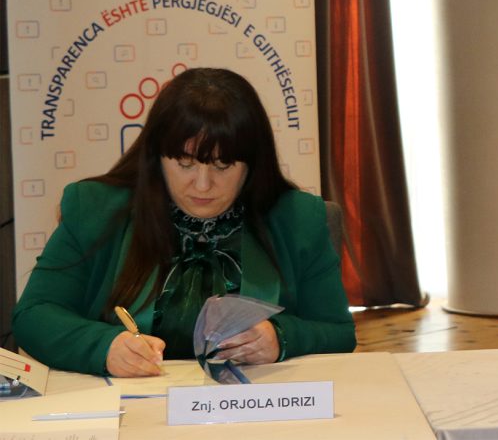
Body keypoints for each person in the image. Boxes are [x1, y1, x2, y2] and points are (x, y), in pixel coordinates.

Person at [13, 68, 356, 376]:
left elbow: (339, 332)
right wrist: (105, 346)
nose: (203, 185)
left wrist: (281, 338)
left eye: (222, 166)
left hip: (253, 409)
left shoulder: (298, 218)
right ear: (157, 157)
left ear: (252, 163)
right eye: (185, 163)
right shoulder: (94, 209)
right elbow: (34, 315)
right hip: (129, 410)